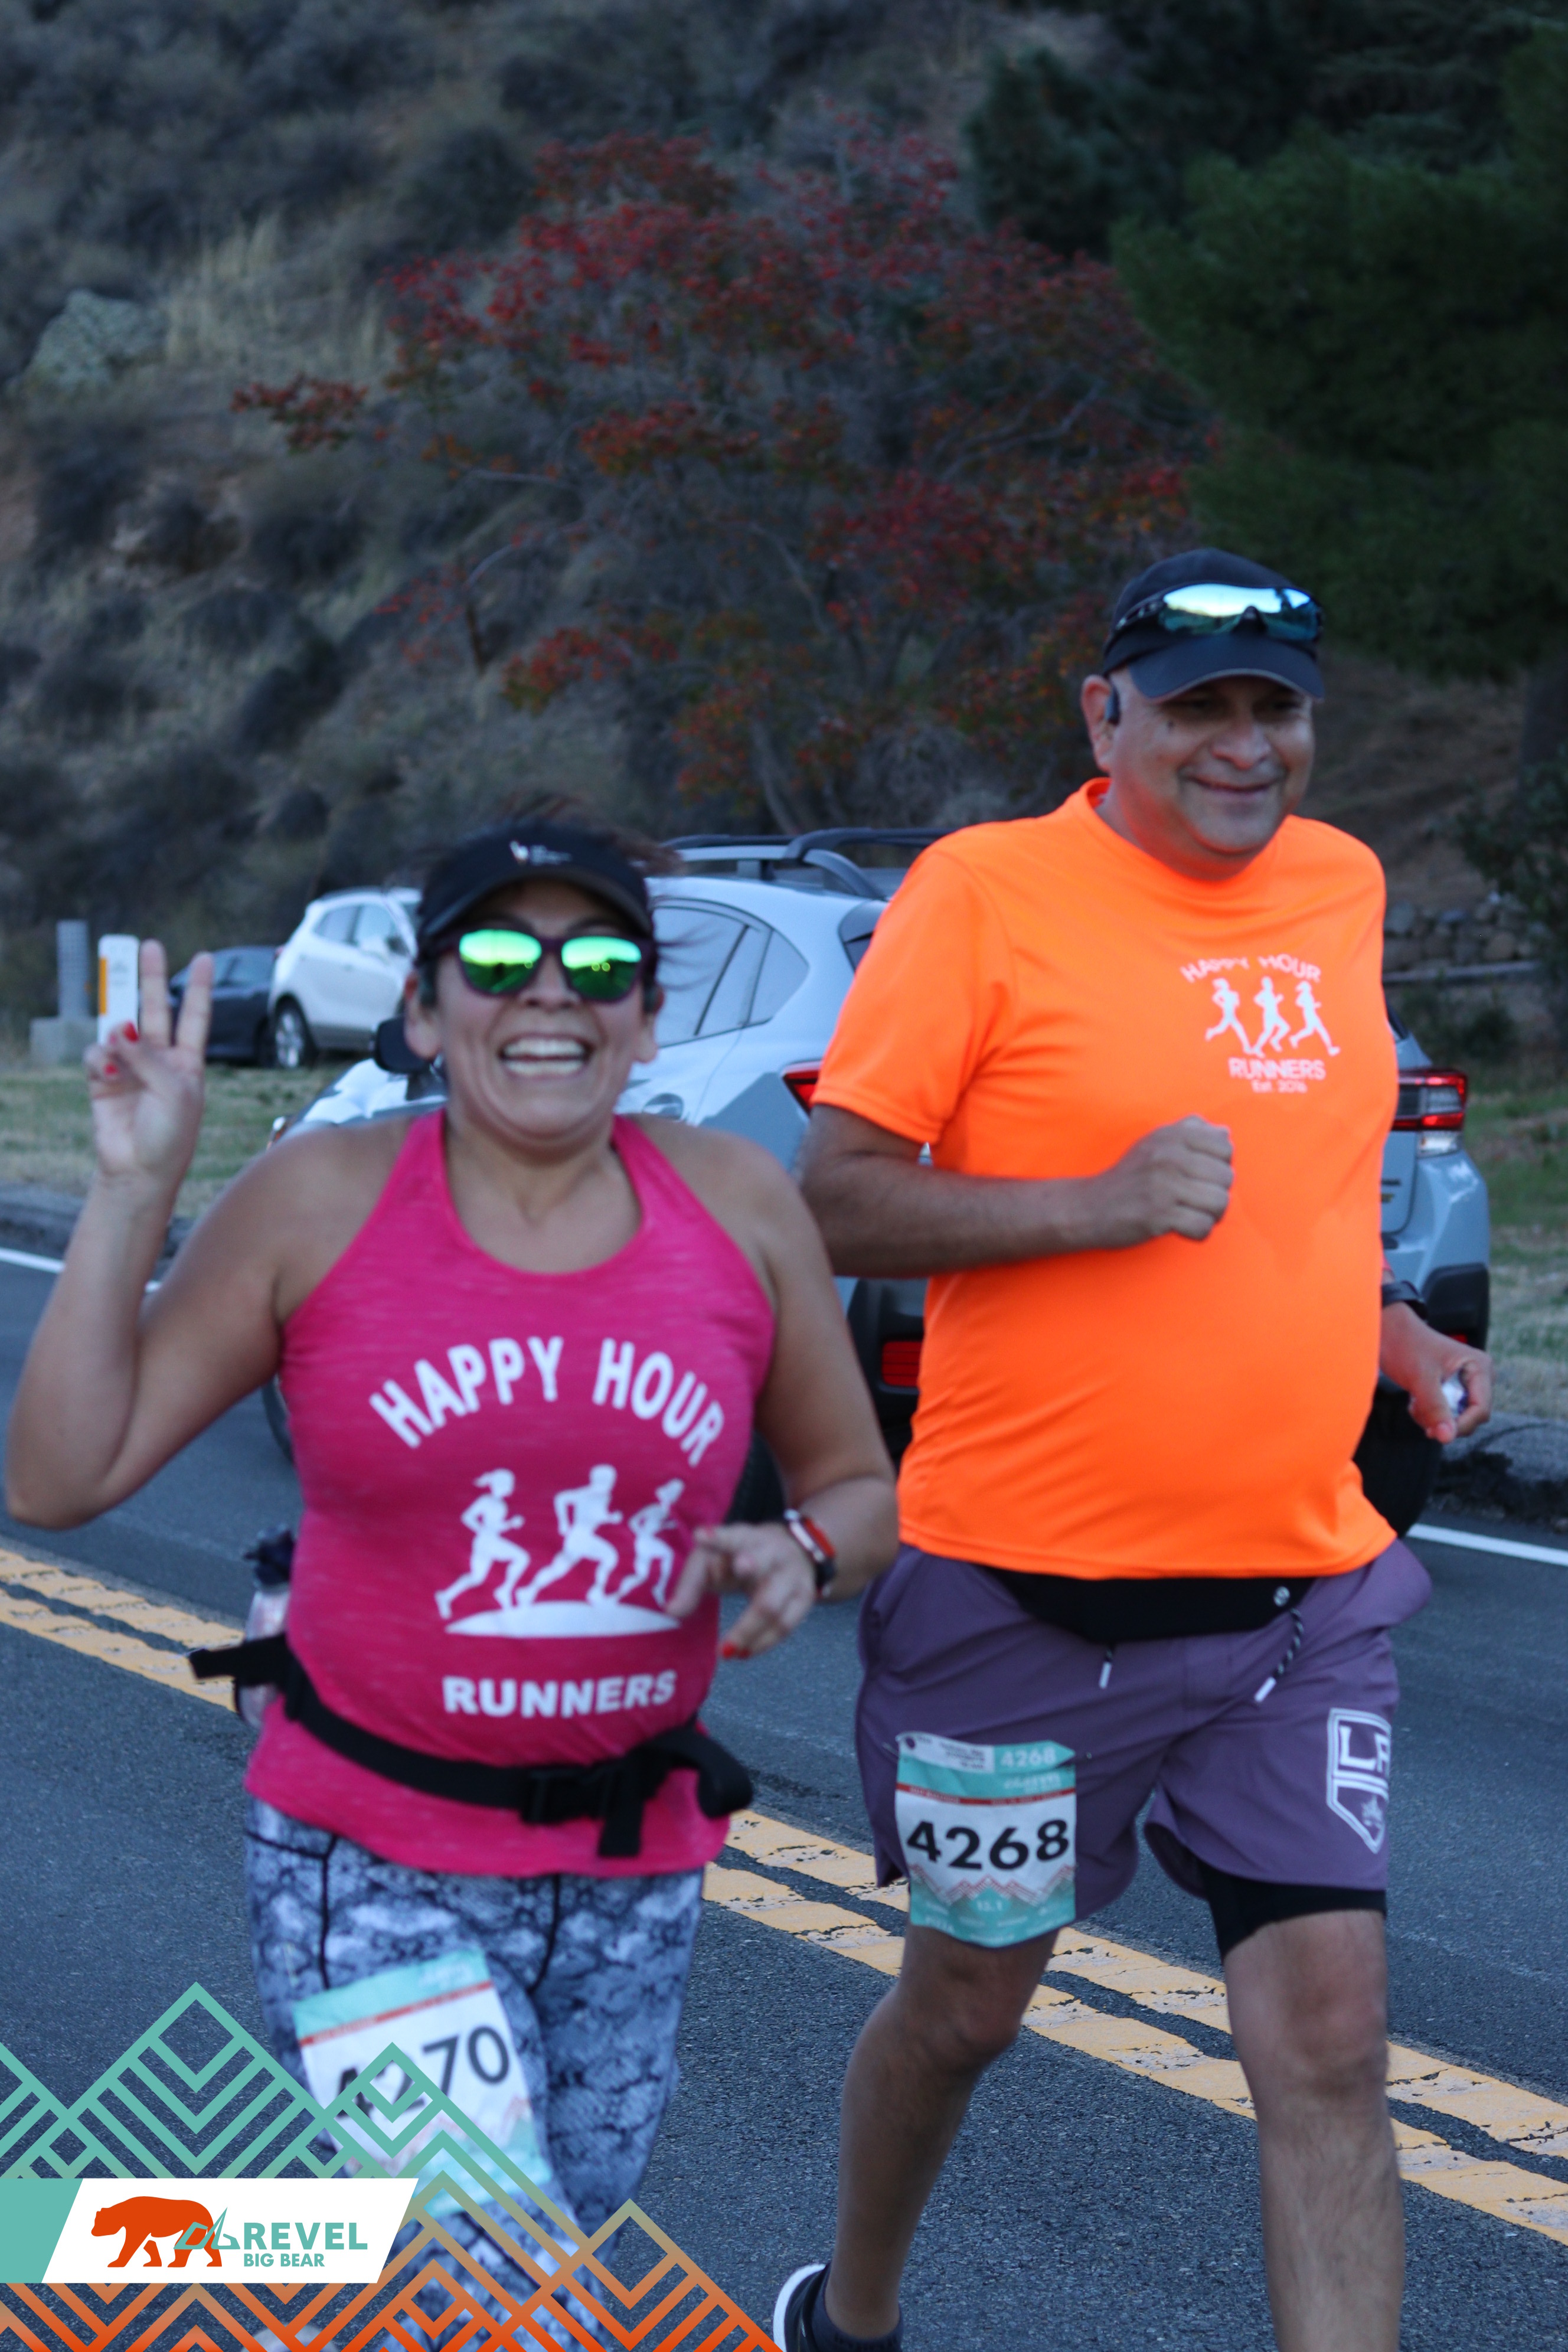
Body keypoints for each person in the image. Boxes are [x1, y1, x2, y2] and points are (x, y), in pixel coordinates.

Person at [6, 812, 898, 2306]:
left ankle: (189, 2255)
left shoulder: (737, 1206)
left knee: (529, 2237)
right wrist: (131, 1187)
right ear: (423, 1010)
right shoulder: (321, 1202)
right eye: (496, 957)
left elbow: (861, 1491)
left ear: (645, 1018)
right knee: (507, 2280)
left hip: (629, 1868)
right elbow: (59, 1474)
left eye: (598, 963)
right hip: (374, 1855)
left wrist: (803, 1547)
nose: (549, 990)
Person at [781, 551, 1494, 2352]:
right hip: (1023, 1610)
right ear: (1105, 716)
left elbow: (1308, 1182)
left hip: (1294, 1601)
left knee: (1331, 2040)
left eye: (1277, 709)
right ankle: (851, 2315)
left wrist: (1392, 1331)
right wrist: (1091, 1204)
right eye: (1196, 708)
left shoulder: (1341, 885)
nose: (1244, 745)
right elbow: (838, 1198)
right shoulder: (985, 894)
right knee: (967, 2008)